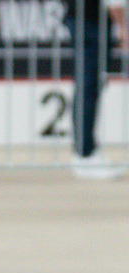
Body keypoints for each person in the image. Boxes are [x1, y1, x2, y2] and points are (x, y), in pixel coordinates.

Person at [68, 0, 129, 180]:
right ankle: (84, 155)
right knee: (88, 85)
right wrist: (123, 26)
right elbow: (114, 2)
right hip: (89, 20)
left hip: (88, 19)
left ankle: (85, 152)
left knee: (89, 85)